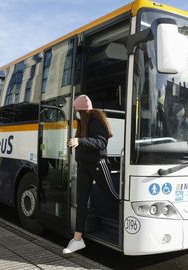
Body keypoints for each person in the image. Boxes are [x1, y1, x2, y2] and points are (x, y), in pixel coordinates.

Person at [63, 94, 117, 254]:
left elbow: (101, 142)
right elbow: (85, 141)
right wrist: (75, 143)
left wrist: (80, 141)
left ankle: (131, 221)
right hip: (84, 166)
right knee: (81, 203)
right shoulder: (83, 121)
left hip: (98, 164)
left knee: (112, 195)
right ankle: (77, 240)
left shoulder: (96, 120)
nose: (76, 114)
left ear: (82, 110)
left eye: (77, 111)